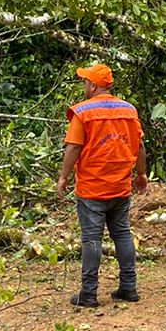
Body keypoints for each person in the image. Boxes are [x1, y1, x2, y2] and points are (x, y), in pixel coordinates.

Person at [56, 63, 147, 308]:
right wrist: (140, 174)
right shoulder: (129, 110)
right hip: (120, 186)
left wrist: (63, 177)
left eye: (85, 81)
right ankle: (129, 287)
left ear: (94, 85)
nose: (84, 85)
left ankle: (89, 293)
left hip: (92, 188)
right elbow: (139, 146)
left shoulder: (83, 112)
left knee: (91, 239)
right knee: (122, 235)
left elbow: (73, 147)